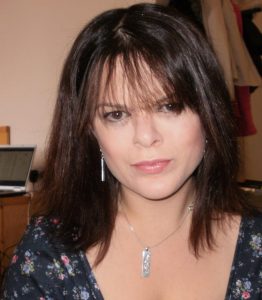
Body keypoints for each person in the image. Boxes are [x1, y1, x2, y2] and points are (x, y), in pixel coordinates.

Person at [1, 3, 261, 299]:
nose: (146, 137)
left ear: (208, 111)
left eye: (168, 106)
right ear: (90, 131)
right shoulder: (45, 257)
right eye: (116, 115)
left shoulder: (257, 249)